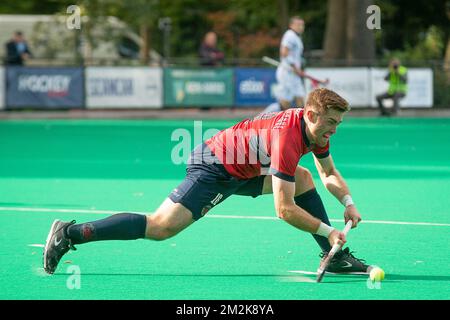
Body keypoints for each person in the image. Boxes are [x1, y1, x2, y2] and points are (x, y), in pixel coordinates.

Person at [43, 88, 370, 275]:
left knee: (303, 177)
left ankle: (334, 256)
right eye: (330, 122)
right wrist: (329, 230)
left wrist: (349, 203)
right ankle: (70, 233)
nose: (334, 129)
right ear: (311, 115)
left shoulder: (314, 129)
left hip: (245, 168)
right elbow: (283, 210)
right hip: (215, 166)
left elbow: (328, 172)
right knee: (161, 227)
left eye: (338, 123)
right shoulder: (288, 138)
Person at [262, 17, 307, 115]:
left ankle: (301, 125)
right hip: (287, 73)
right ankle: (264, 117)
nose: (301, 27)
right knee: (285, 102)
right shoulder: (289, 35)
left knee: (300, 98)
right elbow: (284, 52)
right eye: (298, 24)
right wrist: (295, 67)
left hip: (294, 74)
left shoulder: (297, 37)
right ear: (291, 25)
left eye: (302, 25)